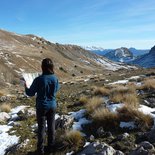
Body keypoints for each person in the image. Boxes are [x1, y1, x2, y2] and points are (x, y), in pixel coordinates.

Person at [24, 58, 60, 155]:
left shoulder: (38, 79)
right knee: (51, 127)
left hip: (41, 107)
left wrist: (26, 86)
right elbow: (57, 89)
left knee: (41, 128)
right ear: (52, 67)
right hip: (52, 105)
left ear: (42, 67)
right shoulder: (55, 78)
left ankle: (40, 150)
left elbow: (30, 93)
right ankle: (51, 148)